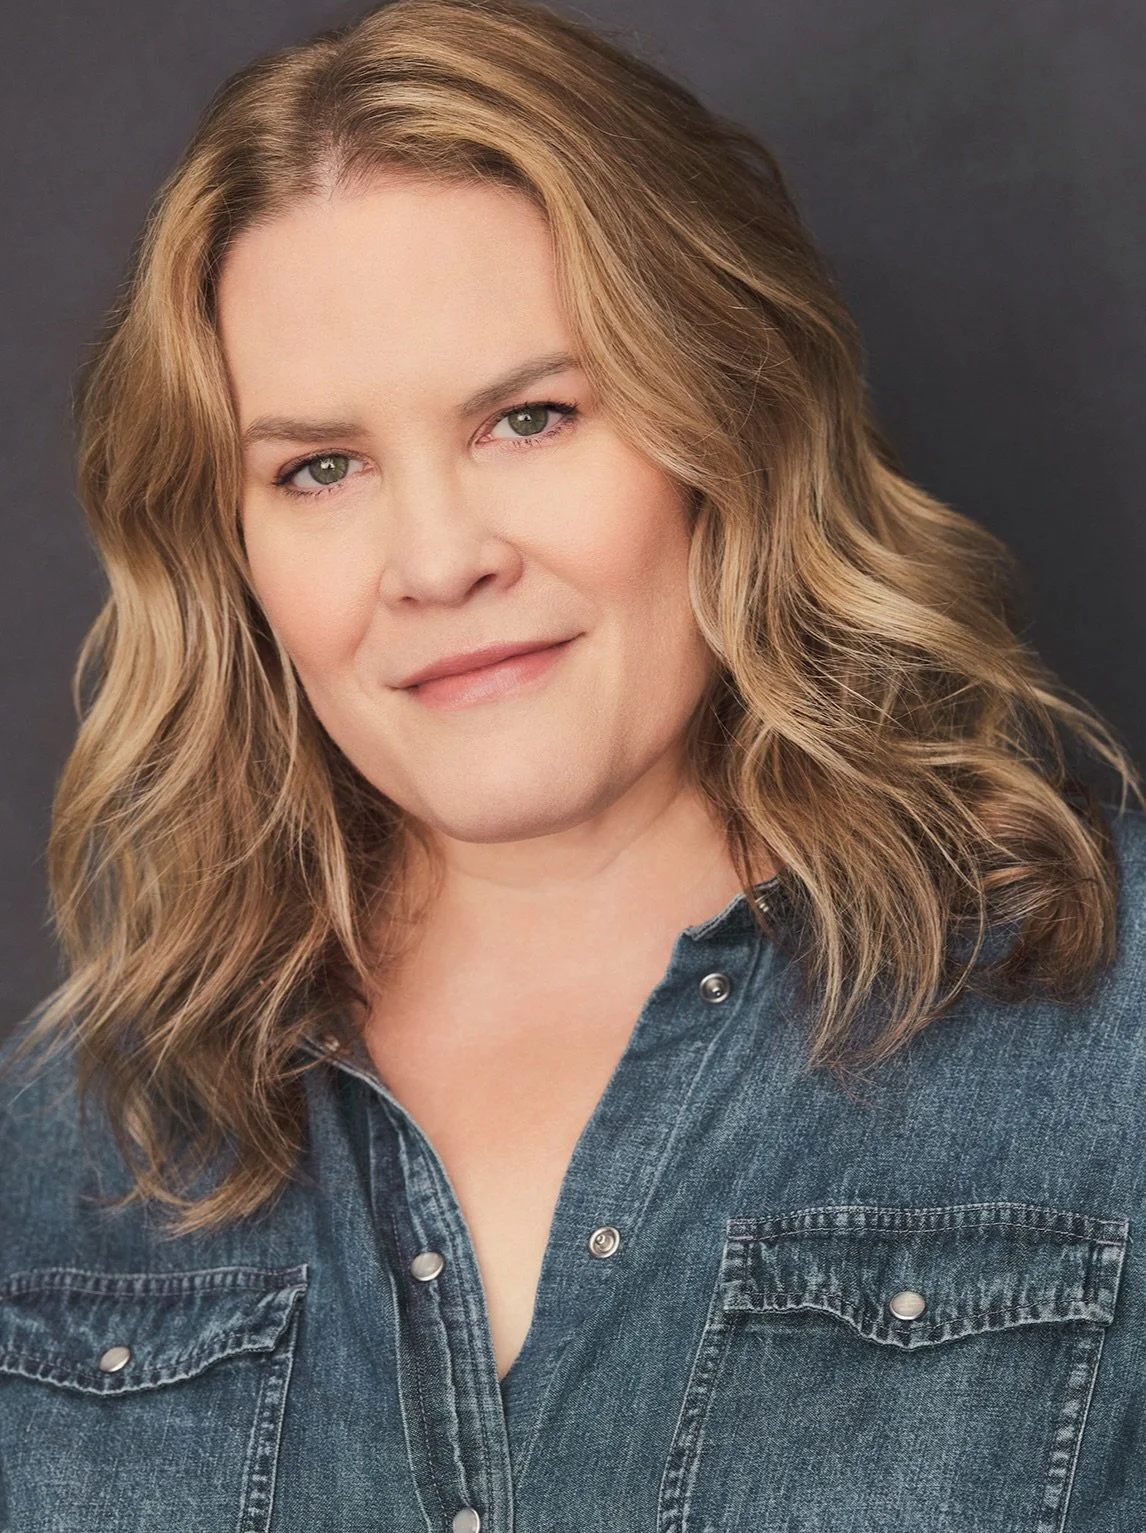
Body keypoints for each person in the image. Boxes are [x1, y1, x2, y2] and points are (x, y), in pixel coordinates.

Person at [1, 0, 1143, 1526]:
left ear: (722, 428)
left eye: (529, 418)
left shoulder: (1105, 1027)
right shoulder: (73, 1147)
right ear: (234, 550)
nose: (435, 560)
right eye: (318, 468)